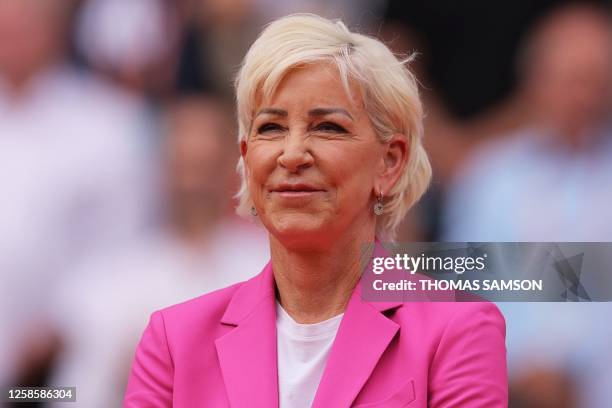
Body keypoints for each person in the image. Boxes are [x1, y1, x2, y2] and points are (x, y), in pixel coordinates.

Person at [125, 14, 507, 407]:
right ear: (246, 158)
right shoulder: (173, 340)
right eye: (271, 128)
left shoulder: (458, 329)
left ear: (389, 163)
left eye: (327, 127)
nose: (291, 155)